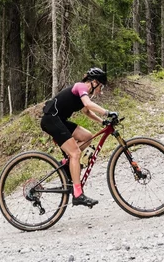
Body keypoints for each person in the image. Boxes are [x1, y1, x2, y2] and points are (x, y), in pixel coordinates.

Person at [39, 67, 118, 208]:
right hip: (51, 120)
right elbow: (88, 104)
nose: (101, 90)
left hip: (59, 120)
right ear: (94, 82)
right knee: (75, 153)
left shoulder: (83, 94)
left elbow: (87, 111)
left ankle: (66, 163)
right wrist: (107, 112)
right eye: (101, 86)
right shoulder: (81, 87)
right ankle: (77, 194)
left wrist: (102, 121)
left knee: (87, 136)